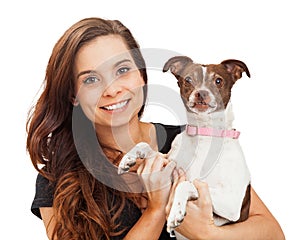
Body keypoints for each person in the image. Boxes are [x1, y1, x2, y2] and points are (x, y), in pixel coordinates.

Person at [26, 17, 285, 240]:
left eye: (122, 70)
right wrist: (157, 209)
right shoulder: (58, 179)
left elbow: (271, 231)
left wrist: (208, 233)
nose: (113, 89)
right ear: (73, 94)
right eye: (92, 79)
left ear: (141, 75)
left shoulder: (188, 140)